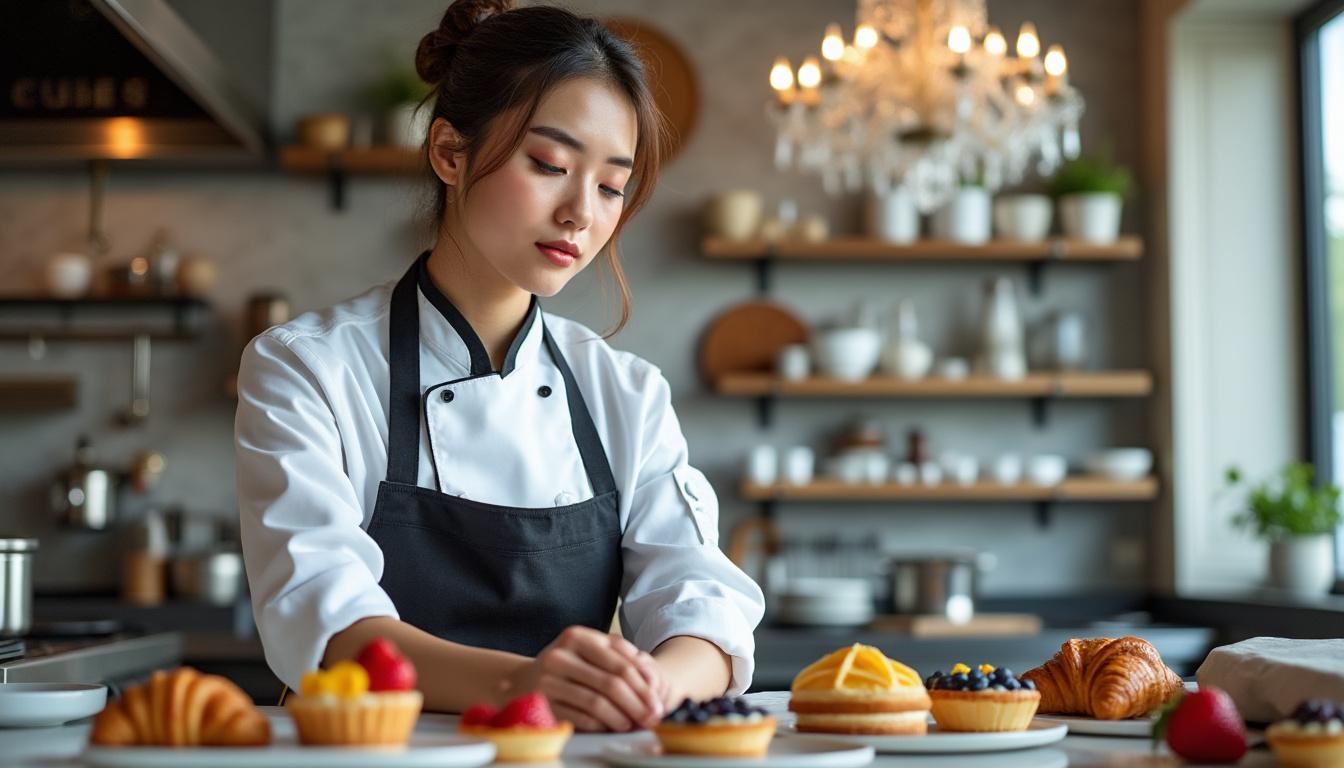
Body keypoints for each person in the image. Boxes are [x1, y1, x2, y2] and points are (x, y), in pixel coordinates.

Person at [235, 0, 764, 733]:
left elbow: (704, 607)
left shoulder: (626, 392)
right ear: (449, 153)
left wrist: (650, 690)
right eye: (550, 165)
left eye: (611, 186)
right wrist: (525, 682)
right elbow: (323, 624)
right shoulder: (308, 369)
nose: (581, 213)